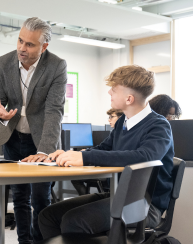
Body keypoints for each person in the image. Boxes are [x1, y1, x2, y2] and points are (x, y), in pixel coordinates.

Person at [38, 65, 174, 239]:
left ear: (129, 99)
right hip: (118, 194)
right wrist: (68, 155)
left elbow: (144, 157)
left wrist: (86, 157)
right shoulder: (123, 122)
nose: (109, 92)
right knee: (48, 216)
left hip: (144, 203)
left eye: (114, 89)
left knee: (75, 220)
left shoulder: (159, 125)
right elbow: (103, 148)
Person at [0, 17, 68, 243]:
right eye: (20, 41)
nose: (22, 48)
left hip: (41, 140)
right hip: (13, 138)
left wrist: (44, 151)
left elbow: (54, 111)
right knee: (19, 197)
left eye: (30, 44)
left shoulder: (56, 66)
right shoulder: (3, 63)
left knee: (41, 198)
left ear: (44, 46)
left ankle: (40, 241)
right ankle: (24, 241)